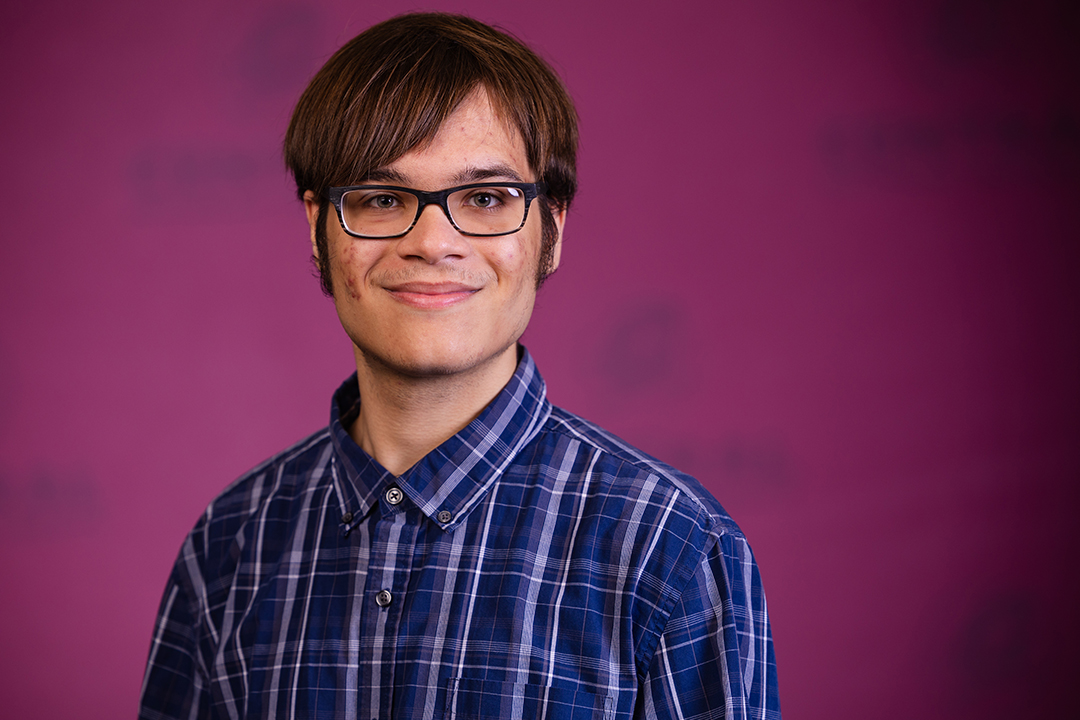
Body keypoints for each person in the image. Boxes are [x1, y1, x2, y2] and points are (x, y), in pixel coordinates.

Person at [138, 12, 780, 720]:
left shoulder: (671, 548)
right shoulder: (229, 545)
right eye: (382, 199)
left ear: (552, 233)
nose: (433, 241)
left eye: (484, 198)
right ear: (318, 232)